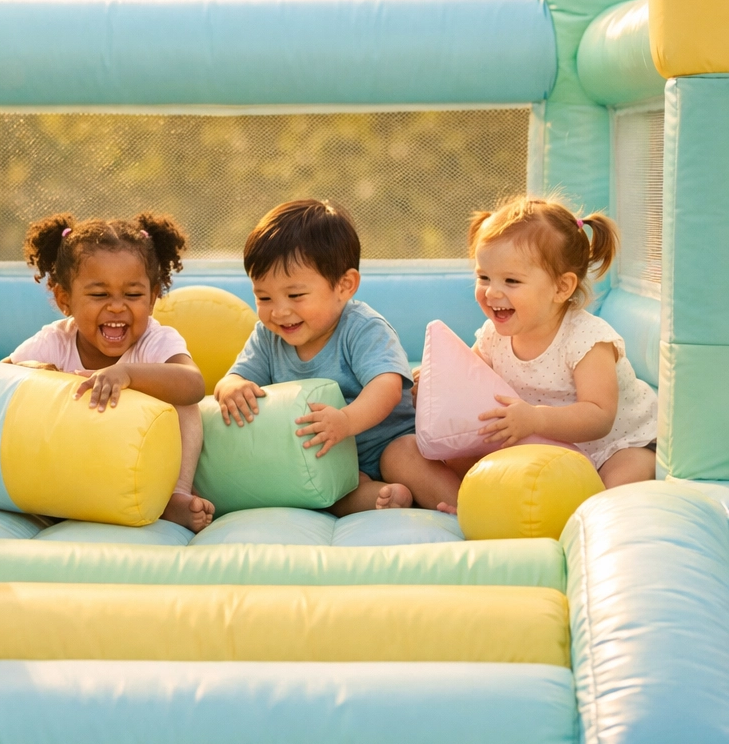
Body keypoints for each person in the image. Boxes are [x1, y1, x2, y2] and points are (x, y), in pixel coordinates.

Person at [426, 195, 658, 514]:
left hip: (616, 445)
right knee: (457, 455)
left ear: (561, 288)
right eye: (484, 277)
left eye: (511, 281)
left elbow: (599, 417)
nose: (492, 292)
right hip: (546, 448)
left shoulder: (587, 339)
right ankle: (483, 505)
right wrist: (435, 382)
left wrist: (536, 418)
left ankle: (579, 512)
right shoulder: (493, 335)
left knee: (619, 482)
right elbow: (466, 379)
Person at [213, 198, 443, 515]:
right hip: (332, 457)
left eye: (295, 295)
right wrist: (231, 386)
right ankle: (386, 497)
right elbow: (235, 377)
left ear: (344, 286)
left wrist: (346, 421)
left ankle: (461, 505)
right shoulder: (268, 337)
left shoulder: (361, 327)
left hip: (388, 442)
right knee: (326, 491)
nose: (279, 311)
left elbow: (387, 386)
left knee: (404, 457)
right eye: (264, 297)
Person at [7, 211, 213, 533]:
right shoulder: (55, 342)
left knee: (184, 403)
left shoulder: (155, 341)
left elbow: (194, 384)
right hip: (75, 472)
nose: (117, 306)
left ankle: (176, 494)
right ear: (64, 299)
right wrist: (37, 373)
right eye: (99, 295)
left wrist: (128, 373)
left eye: (132, 295)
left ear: (153, 297)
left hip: (140, 471)